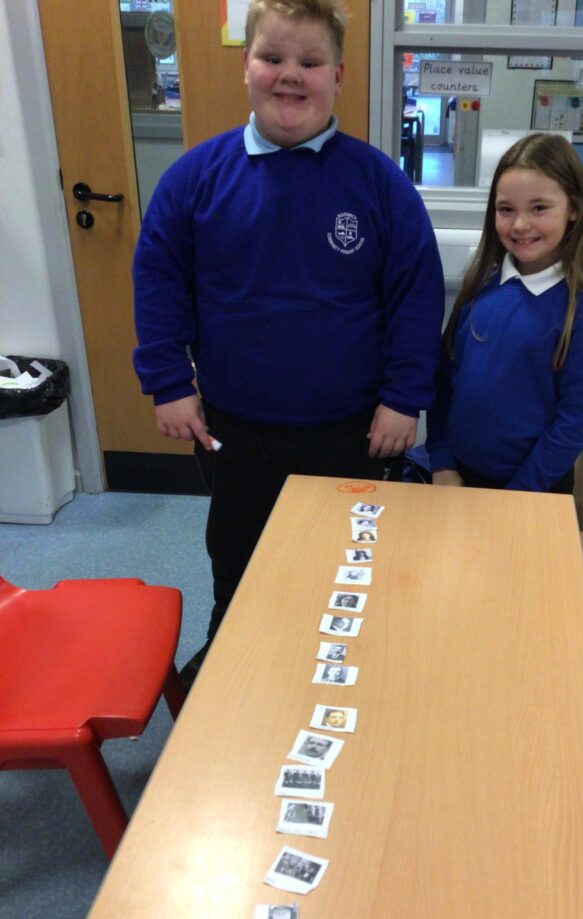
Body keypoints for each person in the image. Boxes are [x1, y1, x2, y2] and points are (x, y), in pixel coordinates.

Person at [132, 0, 444, 688]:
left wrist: (405, 398)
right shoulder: (196, 178)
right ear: (246, 66)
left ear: (338, 75)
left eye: (310, 61)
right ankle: (234, 672)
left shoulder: (379, 183)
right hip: (234, 427)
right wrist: (169, 382)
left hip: (351, 430)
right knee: (238, 558)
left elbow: (417, 296)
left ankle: (332, 682)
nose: (290, 75)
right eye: (272, 58)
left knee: (343, 567)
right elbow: (157, 280)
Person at [427, 133, 583, 494]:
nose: (520, 225)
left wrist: (519, 493)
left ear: (574, 208)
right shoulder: (481, 285)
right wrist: (441, 460)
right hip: (458, 478)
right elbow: (444, 379)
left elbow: (576, 421)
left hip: (533, 489)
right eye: (506, 209)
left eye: (538, 208)